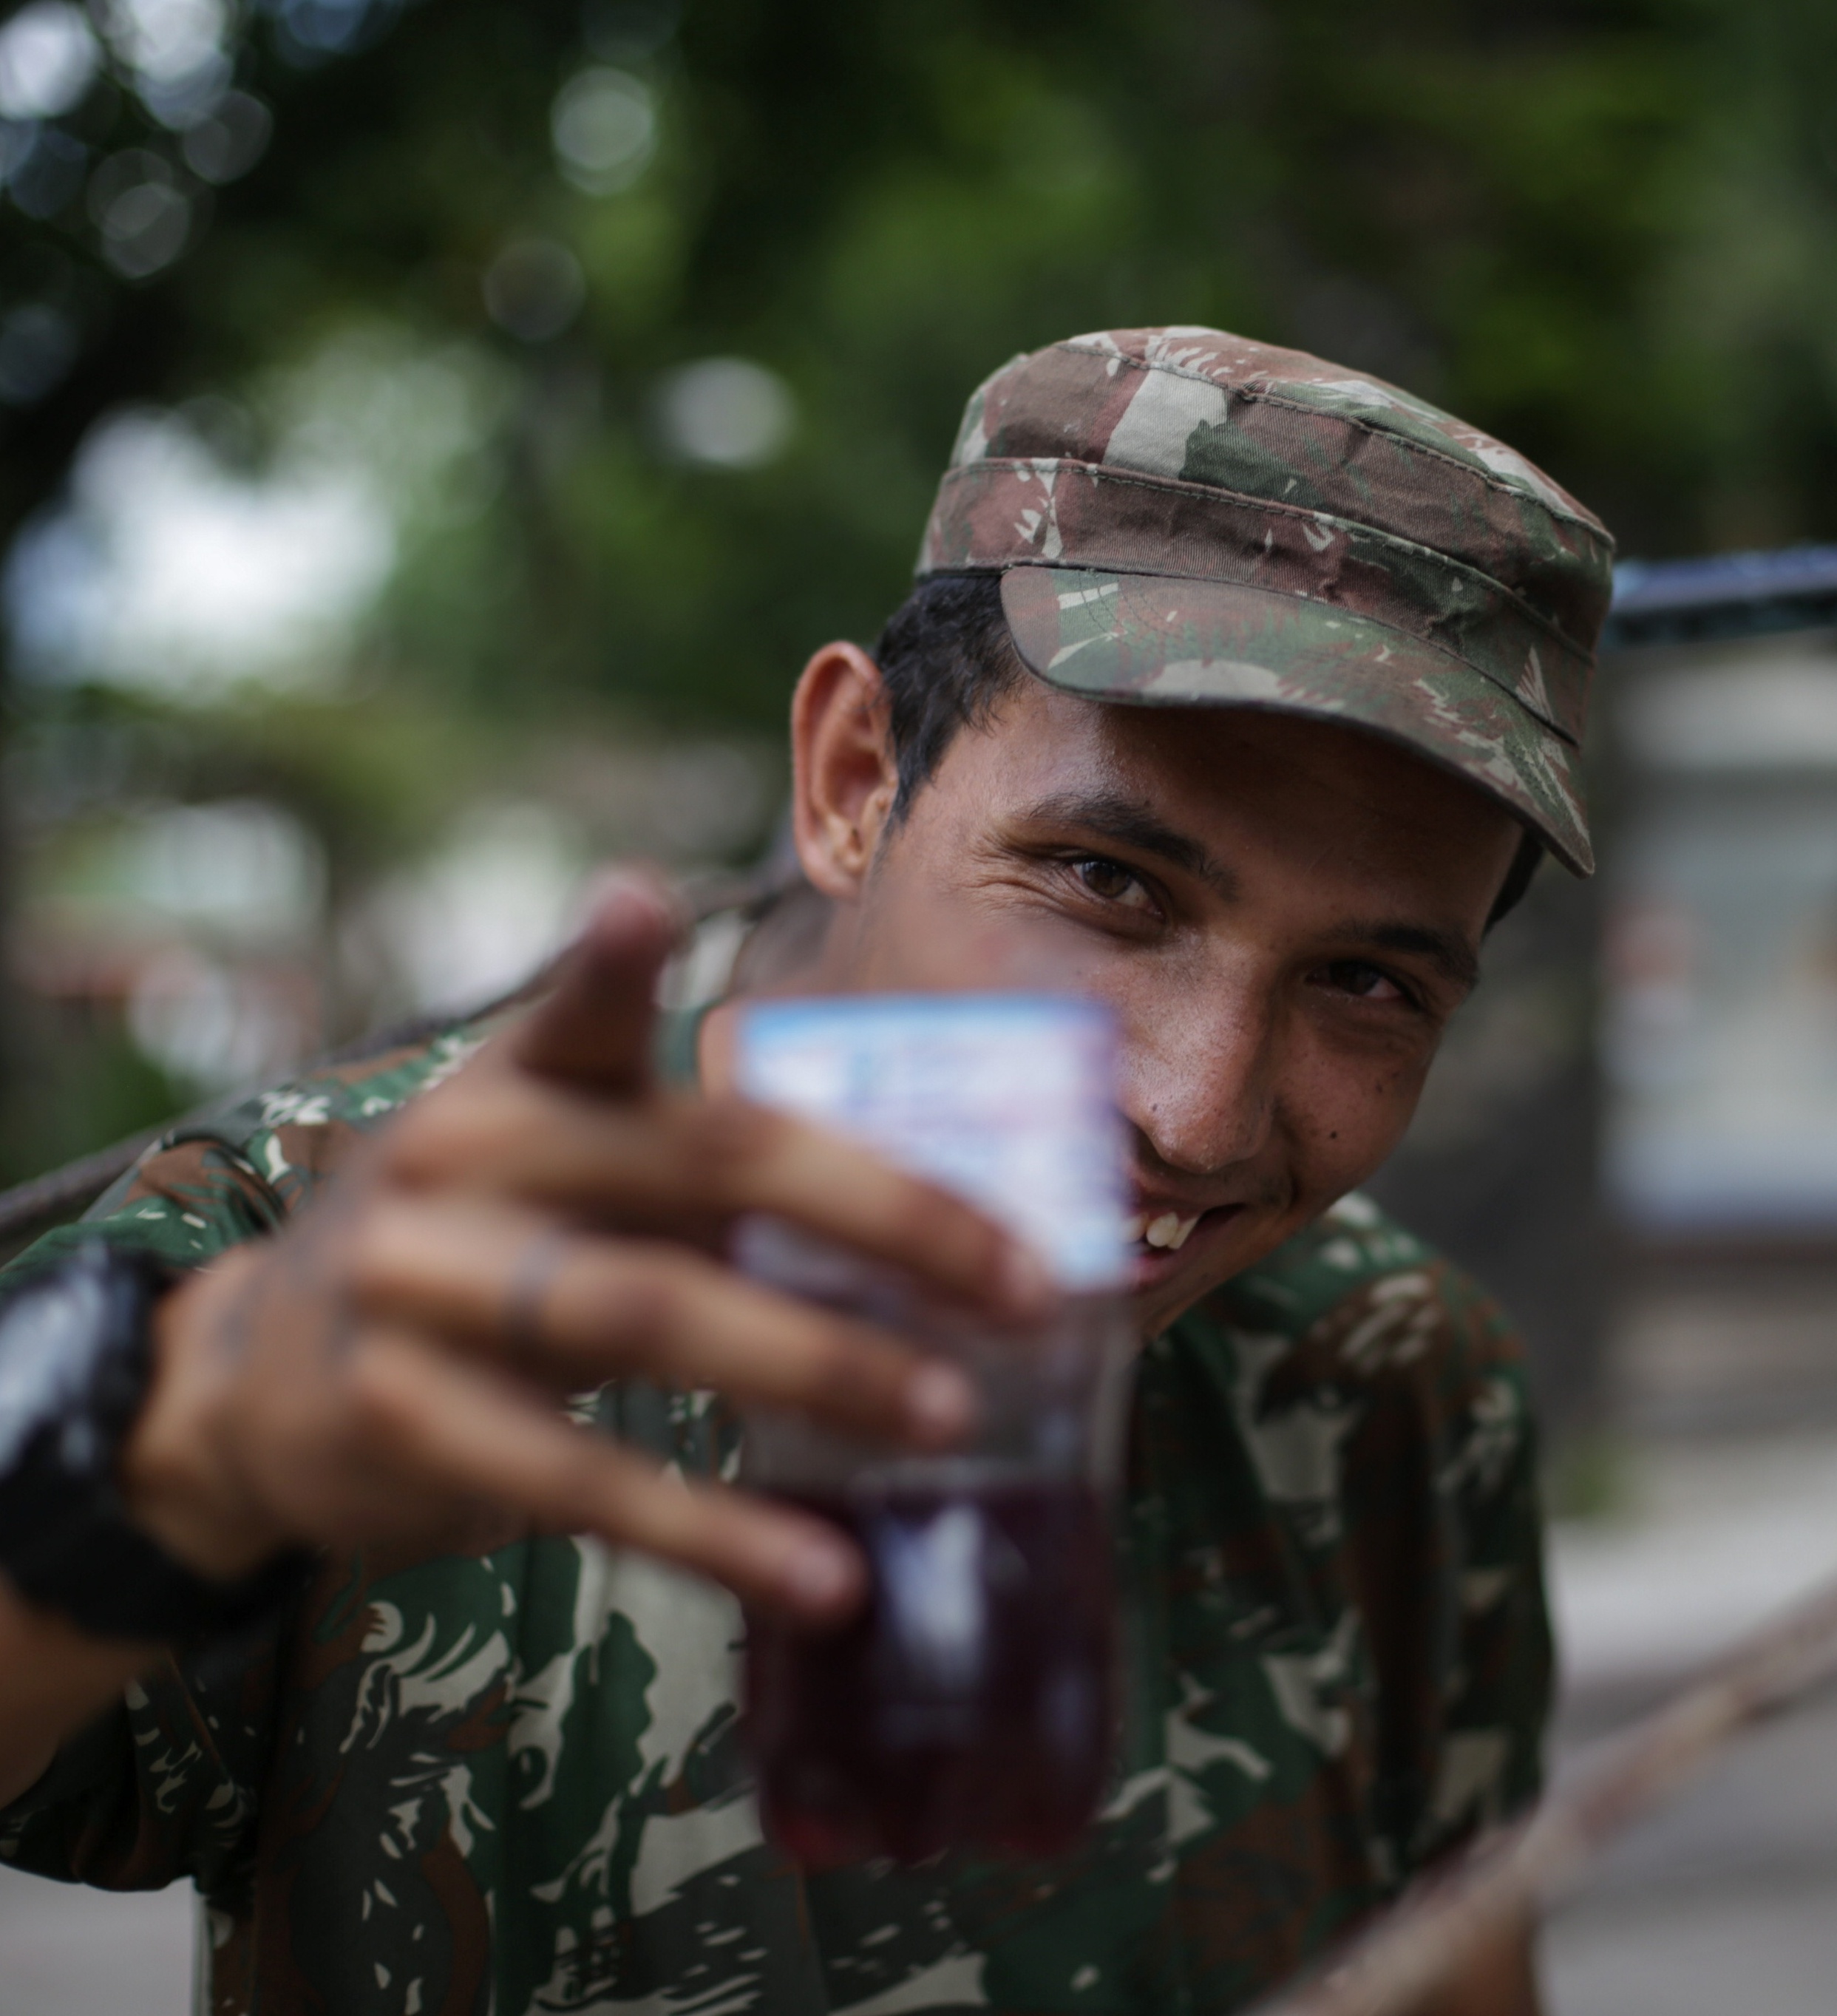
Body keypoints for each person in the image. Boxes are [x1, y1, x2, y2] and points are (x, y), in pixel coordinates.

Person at [0, 326, 1613, 2016]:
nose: (1198, 1114)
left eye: (1368, 981)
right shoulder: (341, 1259)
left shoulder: (1393, 1379)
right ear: (856, 781)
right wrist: (167, 1479)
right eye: (1107, 881)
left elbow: (1460, 1957)